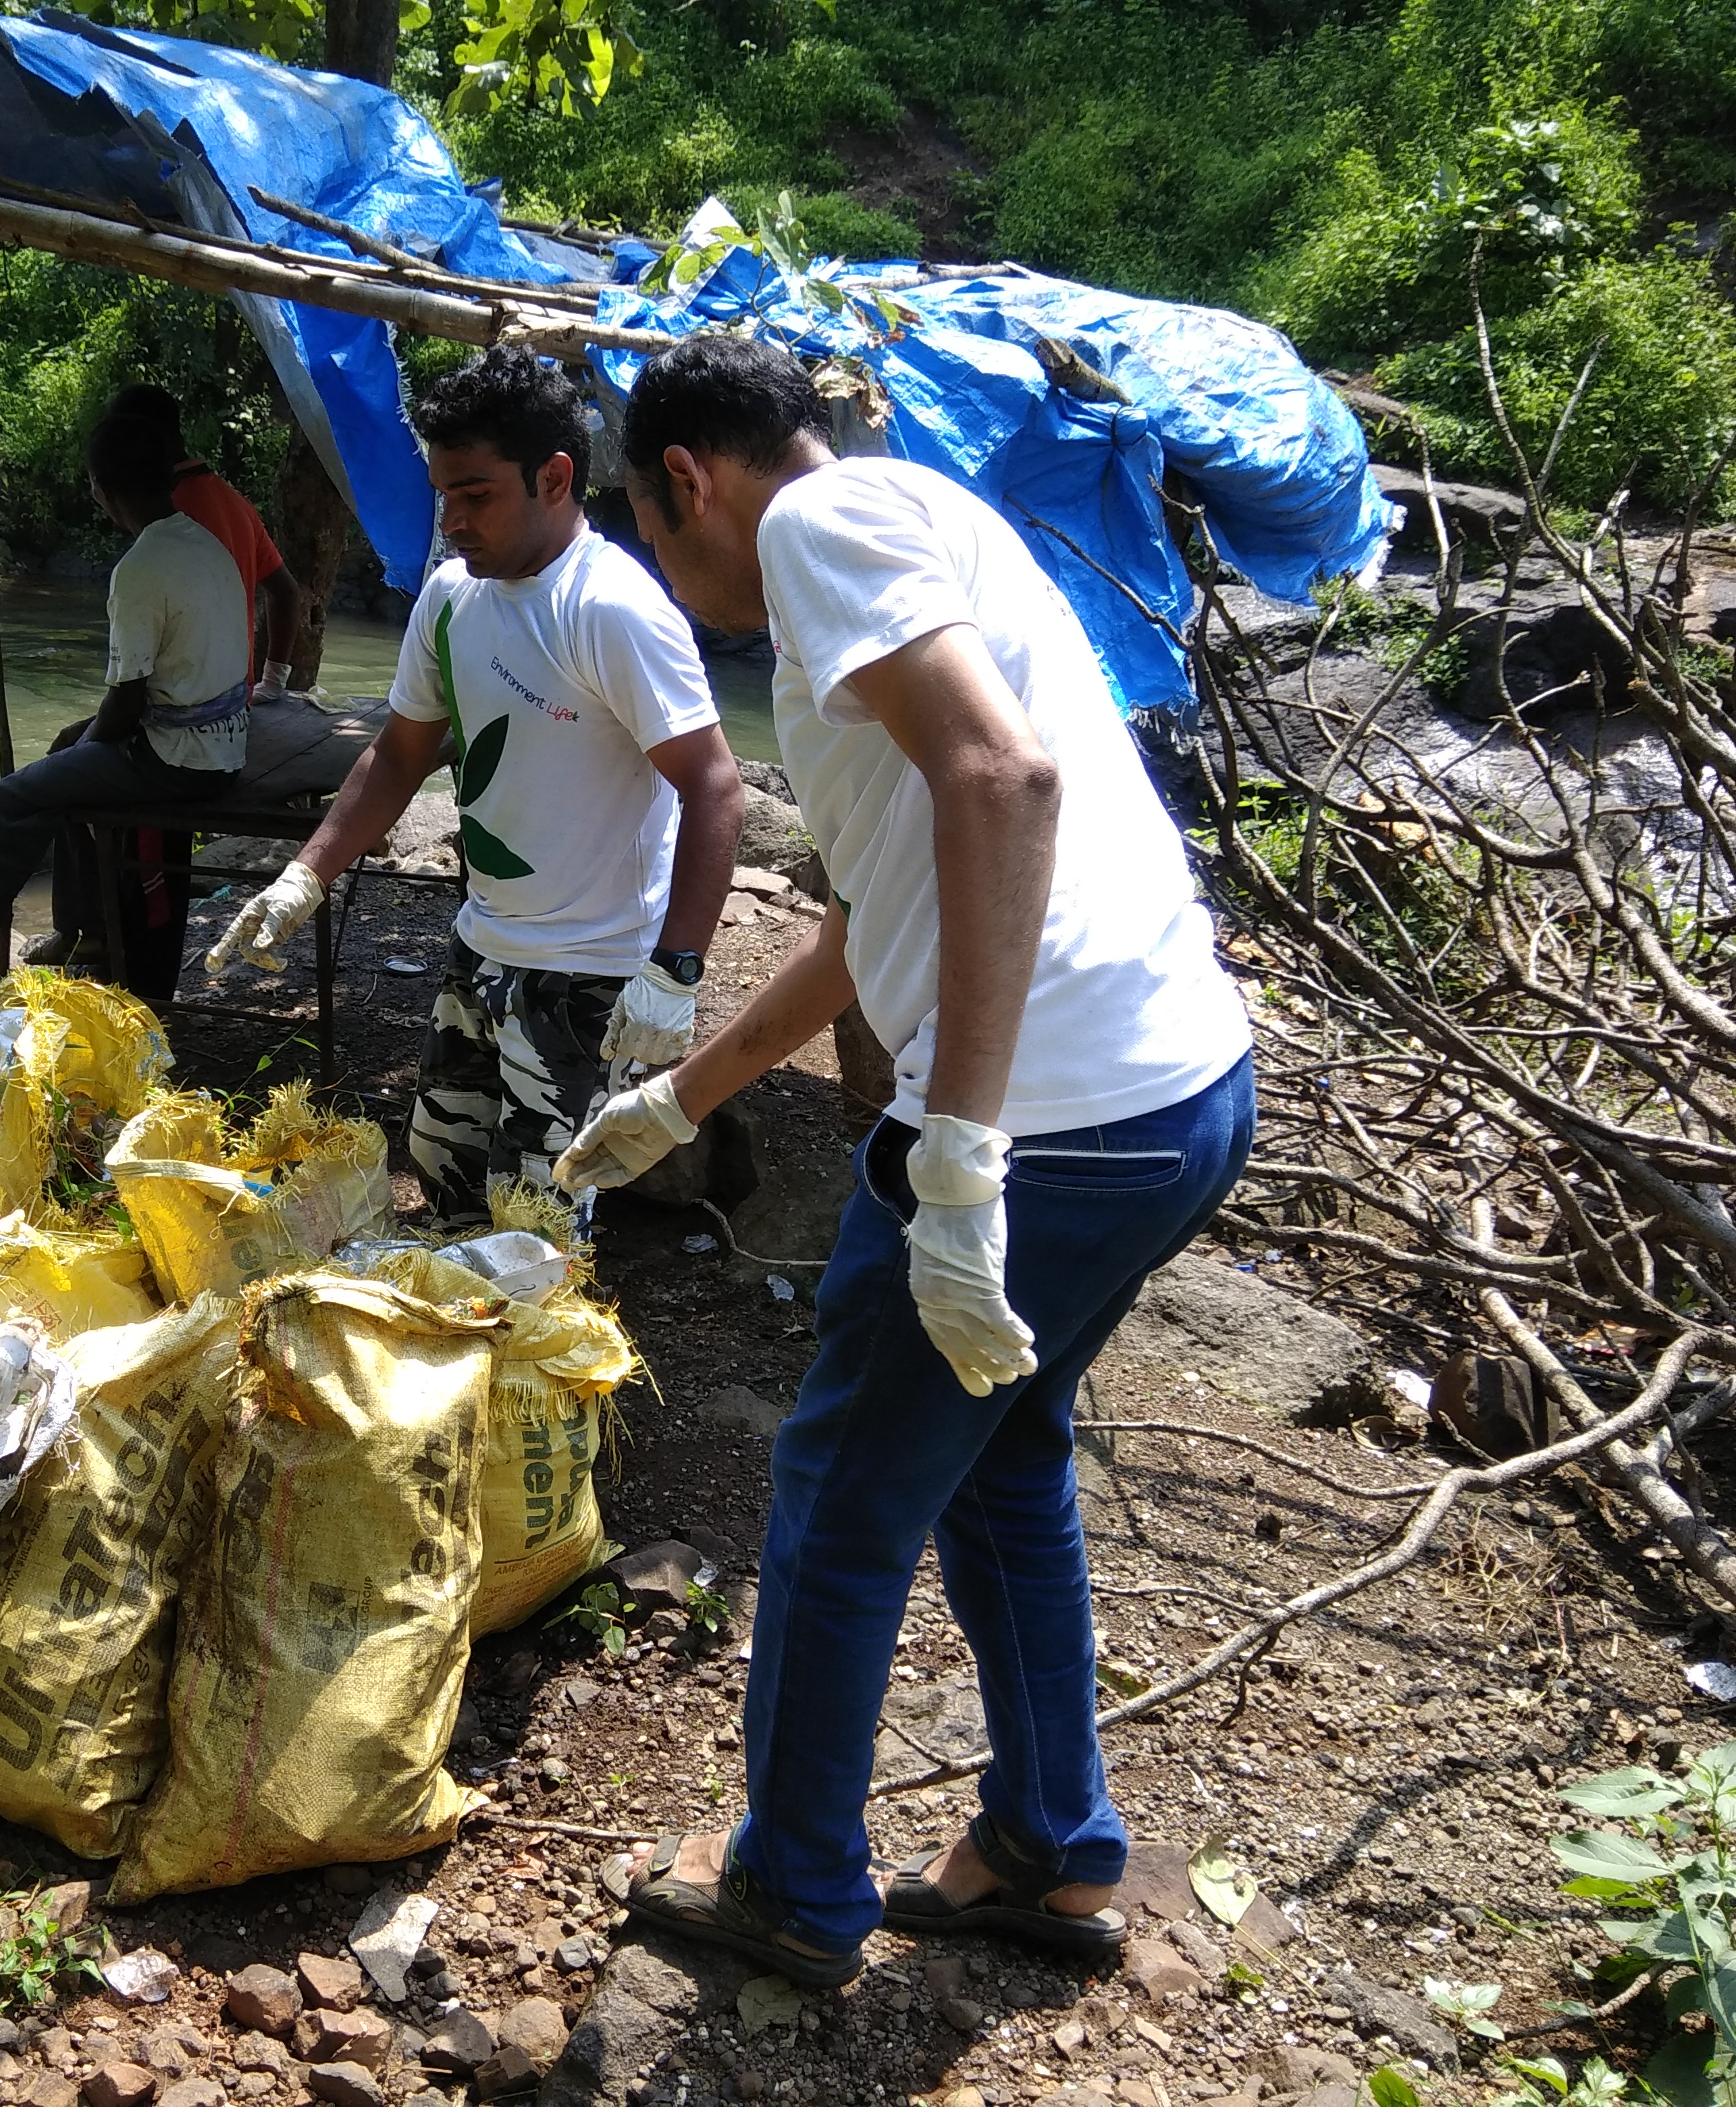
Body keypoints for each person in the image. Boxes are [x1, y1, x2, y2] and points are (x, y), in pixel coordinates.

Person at [556, 334, 1255, 1985]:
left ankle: (792, 1882)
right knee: (1004, 1458)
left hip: (1062, 1122)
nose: (672, 570)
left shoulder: (815, 527)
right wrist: (681, 1092)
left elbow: (1004, 783)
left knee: (839, 1493)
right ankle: (1046, 1844)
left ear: (690, 479)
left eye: (656, 532)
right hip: (1177, 1089)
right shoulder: (917, 513)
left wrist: (957, 1153)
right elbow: (884, 909)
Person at [207, 346, 743, 1225]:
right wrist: (304, 876)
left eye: (477, 495)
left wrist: (674, 974)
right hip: (482, 946)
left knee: (537, 1217)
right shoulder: (453, 596)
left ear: (556, 478)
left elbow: (714, 786)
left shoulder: (611, 609)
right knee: (442, 1164)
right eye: (442, 495)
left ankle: (542, 1348)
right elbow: (398, 754)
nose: (451, 521)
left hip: (587, 976)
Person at [0, 413, 251, 988]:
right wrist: (79, 750)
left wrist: (85, 750)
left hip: (177, 761)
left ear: (100, 487)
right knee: (65, 750)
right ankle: (86, 925)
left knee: (11, 799)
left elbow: (124, 704)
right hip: (223, 744)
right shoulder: (204, 543)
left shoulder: (142, 567)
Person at [105, 381, 305, 693]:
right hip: (234, 701)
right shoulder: (235, 503)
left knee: (75, 739)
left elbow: (130, 690)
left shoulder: (166, 517)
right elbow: (287, 593)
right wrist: (273, 683)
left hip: (185, 707)